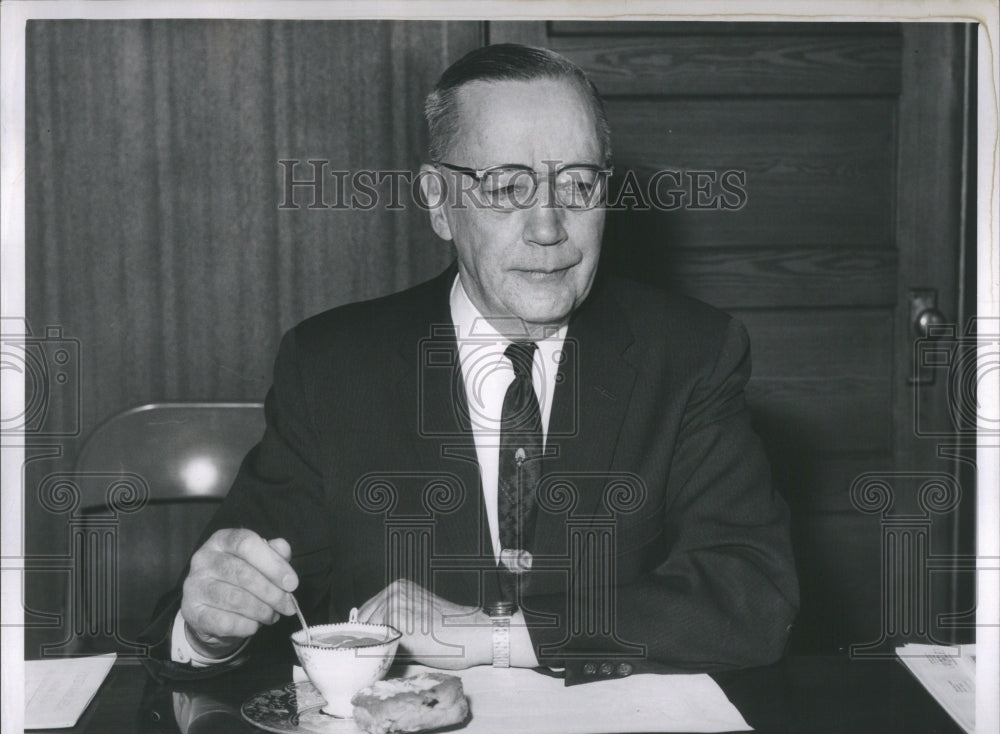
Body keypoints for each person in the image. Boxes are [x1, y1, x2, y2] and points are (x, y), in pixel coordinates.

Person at [140, 43, 798, 685]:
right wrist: (208, 630)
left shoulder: (689, 354)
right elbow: (220, 606)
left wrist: (494, 638)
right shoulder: (332, 367)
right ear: (437, 201)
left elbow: (752, 597)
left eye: (577, 185)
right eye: (509, 187)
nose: (548, 227)